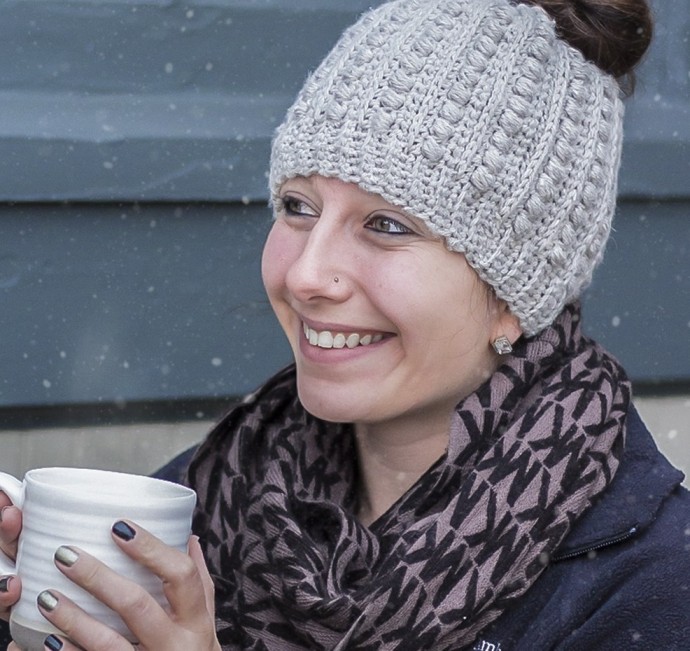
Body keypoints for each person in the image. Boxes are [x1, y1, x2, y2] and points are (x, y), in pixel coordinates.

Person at [2, 0, 689, 649]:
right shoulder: (221, 491)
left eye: (387, 225)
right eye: (299, 206)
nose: (306, 274)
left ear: (513, 296)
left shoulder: (646, 585)